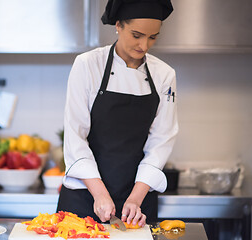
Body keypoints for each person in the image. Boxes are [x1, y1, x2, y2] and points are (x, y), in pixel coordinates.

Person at [57, 0, 178, 227]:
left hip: (138, 202)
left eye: (152, 37)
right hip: (84, 196)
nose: (144, 45)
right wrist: (99, 193)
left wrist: (136, 197)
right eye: (136, 35)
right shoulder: (87, 65)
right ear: (119, 25)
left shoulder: (164, 75)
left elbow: (162, 141)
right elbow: (75, 136)